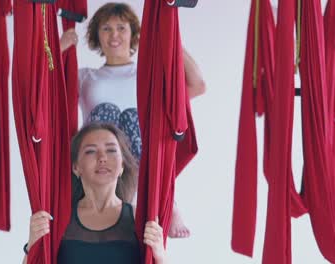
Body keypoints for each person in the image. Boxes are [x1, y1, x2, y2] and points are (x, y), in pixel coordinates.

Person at [60, 2, 205, 238]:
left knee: (132, 116)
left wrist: (169, 36)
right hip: (97, 163)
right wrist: (60, 46)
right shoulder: (85, 76)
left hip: (136, 166)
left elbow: (197, 85)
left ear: (134, 34)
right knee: (106, 112)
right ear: (97, 35)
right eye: (106, 28)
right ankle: (101, 197)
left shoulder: (149, 75)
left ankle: (166, 198)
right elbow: (41, 91)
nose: (114, 34)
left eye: (121, 27)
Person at [23, 123, 167, 264]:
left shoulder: (140, 219)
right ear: (76, 167)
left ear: (122, 165)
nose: (102, 158)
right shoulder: (58, 220)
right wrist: (31, 246)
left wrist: (160, 257)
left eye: (111, 150)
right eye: (91, 151)